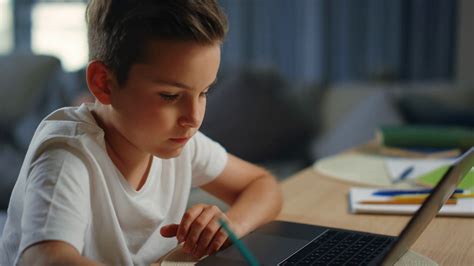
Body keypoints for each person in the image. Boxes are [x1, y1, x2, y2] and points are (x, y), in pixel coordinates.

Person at [0, 0, 283, 265]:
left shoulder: (179, 143)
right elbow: (44, 258)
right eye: (170, 96)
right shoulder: (68, 157)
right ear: (104, 84)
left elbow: (262, 184)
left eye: (204, 92)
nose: (193, 118)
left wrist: (229, 226)